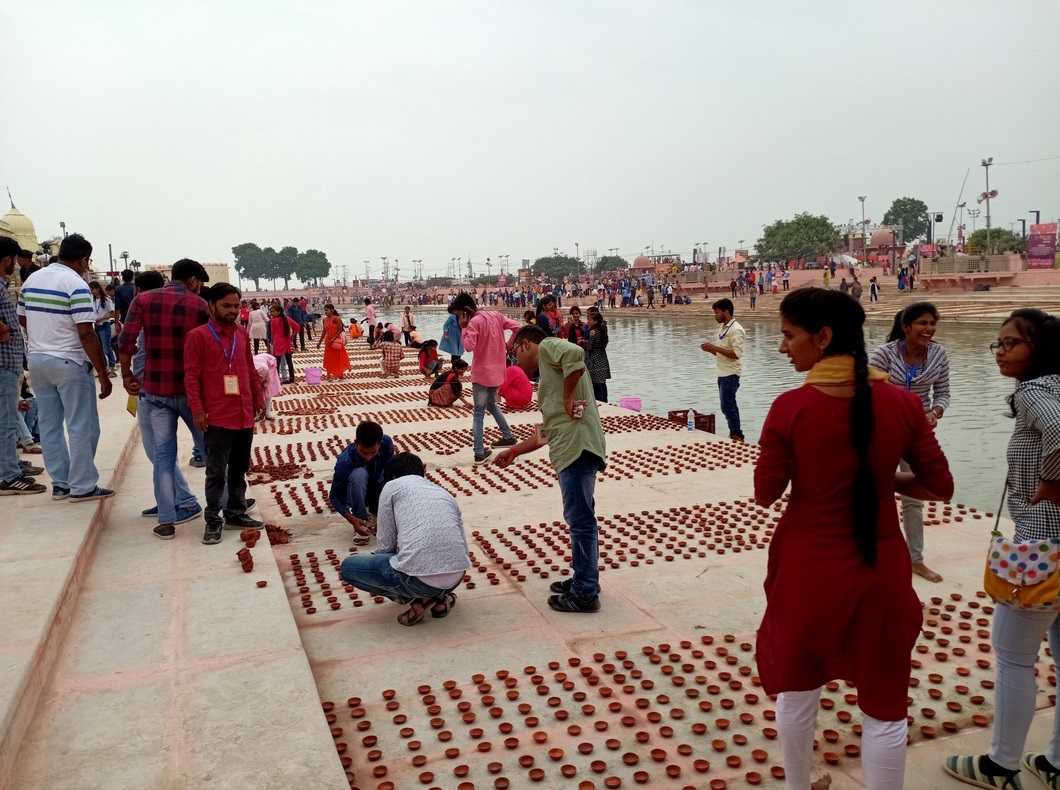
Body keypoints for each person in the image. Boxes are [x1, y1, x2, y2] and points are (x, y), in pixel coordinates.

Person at [754, 288, 953, 790]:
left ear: (822, 338)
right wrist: (879, 477)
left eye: (788, 336)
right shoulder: (904, 402)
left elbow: (766, 492)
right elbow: (939, 487)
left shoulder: (790, 408)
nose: (783, 348)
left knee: (798, 689)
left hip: (808, 568)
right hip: (880, 563)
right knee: (885, 703)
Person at [944, 309, 1060, 790]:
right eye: (997, 343)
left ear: (1039, 348)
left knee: (1015, 657)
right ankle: (1054, 764)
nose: (999, 351)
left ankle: (1001, 765)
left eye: (1010, 343)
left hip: (1042, 548)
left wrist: (1052, 483)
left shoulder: (1035, 392)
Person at [495, 325, 607, 613]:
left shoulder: (547, 347)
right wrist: (514, 451)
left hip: (577, 447)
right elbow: (548, 431)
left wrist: (569, 397)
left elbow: (576, 353)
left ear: (524, 344)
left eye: (514, 354)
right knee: (581, 518)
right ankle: (583, 579)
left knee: (580, 521)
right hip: (570, 446)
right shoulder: (549, 373)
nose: (516, 363)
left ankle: (585, 593)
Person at [17, 234, 114, 502]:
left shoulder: (32, 280)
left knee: (49, 425)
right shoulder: (76, 283)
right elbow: (86, 332)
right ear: (83, 259)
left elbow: (23, 319)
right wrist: (103, 373)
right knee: (82, 425)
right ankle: (83, 485)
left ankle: (61, 483)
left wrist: (42, 338)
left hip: (38, 360)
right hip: (69, 360)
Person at [118, 259, 212, 535]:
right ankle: (230, 505)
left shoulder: (143, 300)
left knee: (163, 455)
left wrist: (127, 375)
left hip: (156, 392)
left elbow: (127, 340)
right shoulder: (199, 305)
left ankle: (167, 520)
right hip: (191, 392)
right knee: (212, 449)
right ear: (193, 281)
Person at [339, 452, 471, 626]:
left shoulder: (392, 486)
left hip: (419, 582)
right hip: (457, 576)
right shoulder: (443, 493)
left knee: (348, 568)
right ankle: (439, 598)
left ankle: (420, 598)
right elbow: (461, 542)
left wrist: (378, 560)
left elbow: (386, 544)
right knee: (417, 560)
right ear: (422, 471)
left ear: (392, 476)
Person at [869, 303, 951, 583]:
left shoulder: (939, 354)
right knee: (873, 493)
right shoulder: (884, 354)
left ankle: (915, 559)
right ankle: (870, 554)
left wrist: (934, 412)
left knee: (914, 498)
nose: (929, 329)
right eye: (922, 323)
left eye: (932, 323)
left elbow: (943, 393)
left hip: (917, 433)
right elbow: (869, 391)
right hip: (882, 431)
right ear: (906, 327)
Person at [185, 283, 265, 544]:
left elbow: (250, 369)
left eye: (236, 305)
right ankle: (213, 519)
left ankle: (235, 512)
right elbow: (192, 376)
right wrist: (197, 409)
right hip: (217, 416)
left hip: (243, 413)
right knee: (216, 471)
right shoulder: (198, 336)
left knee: (240, 467)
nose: (233, 311)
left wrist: (259, 397)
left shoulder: (242, 334)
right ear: (211, 305)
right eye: (226, 305)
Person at [449, 293, 520, 464]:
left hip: (482, 373)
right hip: (498, 370)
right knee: (491, 404)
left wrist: (464, 327)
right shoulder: (495, 315)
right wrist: (508, 345)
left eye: (459, 314)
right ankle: (508, 436)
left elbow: (468, 346)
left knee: (479, 413)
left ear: (466, 311)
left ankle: (479, 452)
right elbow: (517, 326)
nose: (458, 318)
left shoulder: (474, 323)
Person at [0, 237, 45, 495]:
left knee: (7, 419)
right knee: (7, 423)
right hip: (4, 363)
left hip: (9, 363)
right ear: (8, 259)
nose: (15, 265)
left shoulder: (3, 285)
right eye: (14, 260)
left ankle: (10, 466)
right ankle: (9, 476)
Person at [330, 421, 395, 545]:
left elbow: (389, 476)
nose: (368, 457)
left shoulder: (386, 444)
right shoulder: (345, 461)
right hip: (356, 492)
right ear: (356, 444)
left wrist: (383, 512)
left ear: (379, 444)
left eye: (373, 452)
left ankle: (375, 513)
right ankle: (361, 519)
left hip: (378, 485)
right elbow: (334, 497)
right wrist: (352, 519)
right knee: (358, 474)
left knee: (389, 473)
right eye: (364, 452)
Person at [700, 298, 746, 442]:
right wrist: (711, 350)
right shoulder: (725, 327)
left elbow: (736, 354)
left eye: (717, 312)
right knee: (727, 405)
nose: (715, 315)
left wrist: (715, 348)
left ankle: (737, 435)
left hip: (731, 374)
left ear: (726, 312)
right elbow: (723, 352)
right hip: (722, 372)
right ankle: (735, 433)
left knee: (728, 405)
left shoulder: (736, 330)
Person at [581, 306, 611, 403]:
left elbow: (589, 347)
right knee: (602, 382)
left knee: (595, 382)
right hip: (602, 357)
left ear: (595, 321)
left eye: (590, 320)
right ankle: (604, 400)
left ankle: (598, 402)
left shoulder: (593, 332)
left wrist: (584, 342)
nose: (588, 321)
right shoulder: (603, 330)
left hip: (594, 358)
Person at [89, 281, 118, 377]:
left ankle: (112, 367)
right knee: (99, 348)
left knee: (107, 347)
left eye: (92, 289)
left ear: (97, 289)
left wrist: (102, 318)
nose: (91, 291)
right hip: (96, 325)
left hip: (104, 325)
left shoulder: (106, 299)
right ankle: (104, 369)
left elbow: (112, 313)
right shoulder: (92, 300)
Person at [316, 303, 351, 380]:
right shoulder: (324, 319)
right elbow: (324, 331)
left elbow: (340, 330)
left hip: (336, 341)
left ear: (332, 310)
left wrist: (333, 339)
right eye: (325, 310)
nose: (326, 312)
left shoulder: (337, 319)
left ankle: (340, 374)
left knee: (338, 358)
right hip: (328, 341)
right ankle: (329, 375)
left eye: (327, 310)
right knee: (329, 358)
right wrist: (319, 342)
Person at [268, 304, 300, 384]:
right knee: (289, 361)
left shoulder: (273, 321)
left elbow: (272, 333)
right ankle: (292, 378)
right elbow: (297, 327)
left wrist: (270, 345)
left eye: (273, 312)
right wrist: (293, 335)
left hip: (278, 342)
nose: (271, 313)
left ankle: (277, 380)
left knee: (277, 362)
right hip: (287, 342)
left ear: (279, 312)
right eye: (271, 312)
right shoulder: (287, 319)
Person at [254, 353, 281, 420]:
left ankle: (267, 414)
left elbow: (268, 380)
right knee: (256, 393)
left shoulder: (266, 369)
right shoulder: (251, 371)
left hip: (269, 361)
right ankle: (257, 414)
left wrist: (264, 386)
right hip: (258, 361)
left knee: (268, 391)